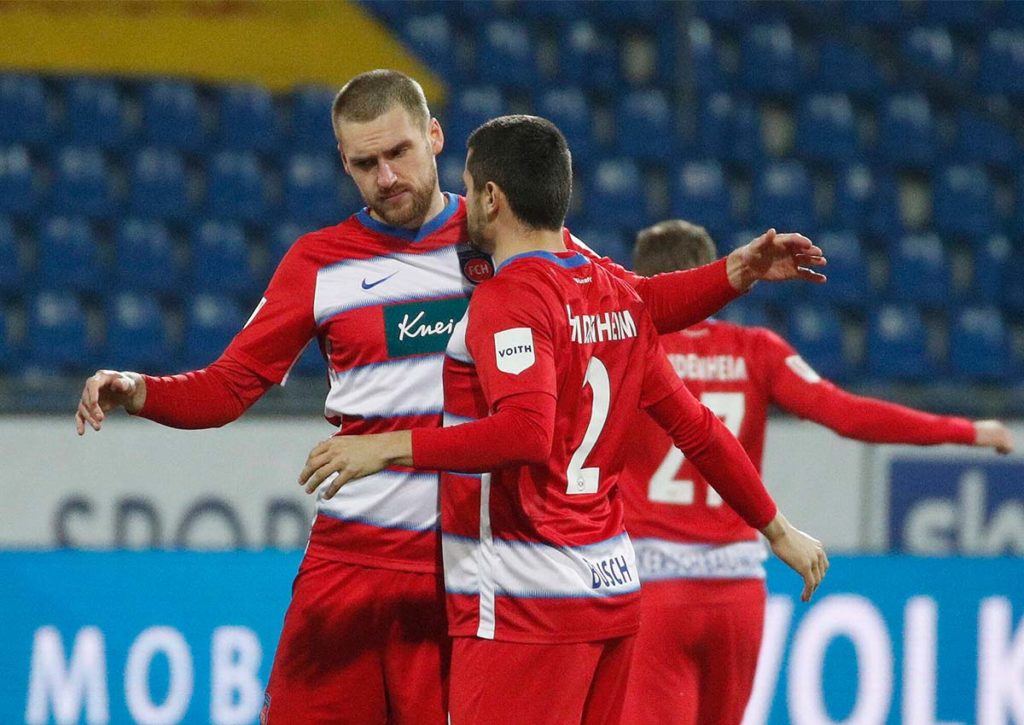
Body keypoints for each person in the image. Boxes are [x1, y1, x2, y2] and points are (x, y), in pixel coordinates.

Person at [73, 70, 825, 725]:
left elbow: (634, 304)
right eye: (364, 164)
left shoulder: (503, 240)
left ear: (434, 138)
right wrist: (139, 389)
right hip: (350, 563)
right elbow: (229, 386)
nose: (386, 177)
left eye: (398, 153)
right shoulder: (319, 264)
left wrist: (736, 270)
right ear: (343, 163)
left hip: (462, 572)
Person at [297, 115, 828, 725]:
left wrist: (386, 448)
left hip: (526, 602)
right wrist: (778, 529)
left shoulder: (508, 296)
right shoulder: (614, 298)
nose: (462, 202)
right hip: (613, 593)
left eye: (470, 188)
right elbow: (699, 428)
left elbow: (526, 433)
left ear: (492, 198)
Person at [617, 219, 1015, 725]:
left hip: (654, 589)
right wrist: (966, 430)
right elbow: (845, 414)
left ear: (649, 279)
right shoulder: (756, 350)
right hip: (736, 593)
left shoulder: (629, 345)